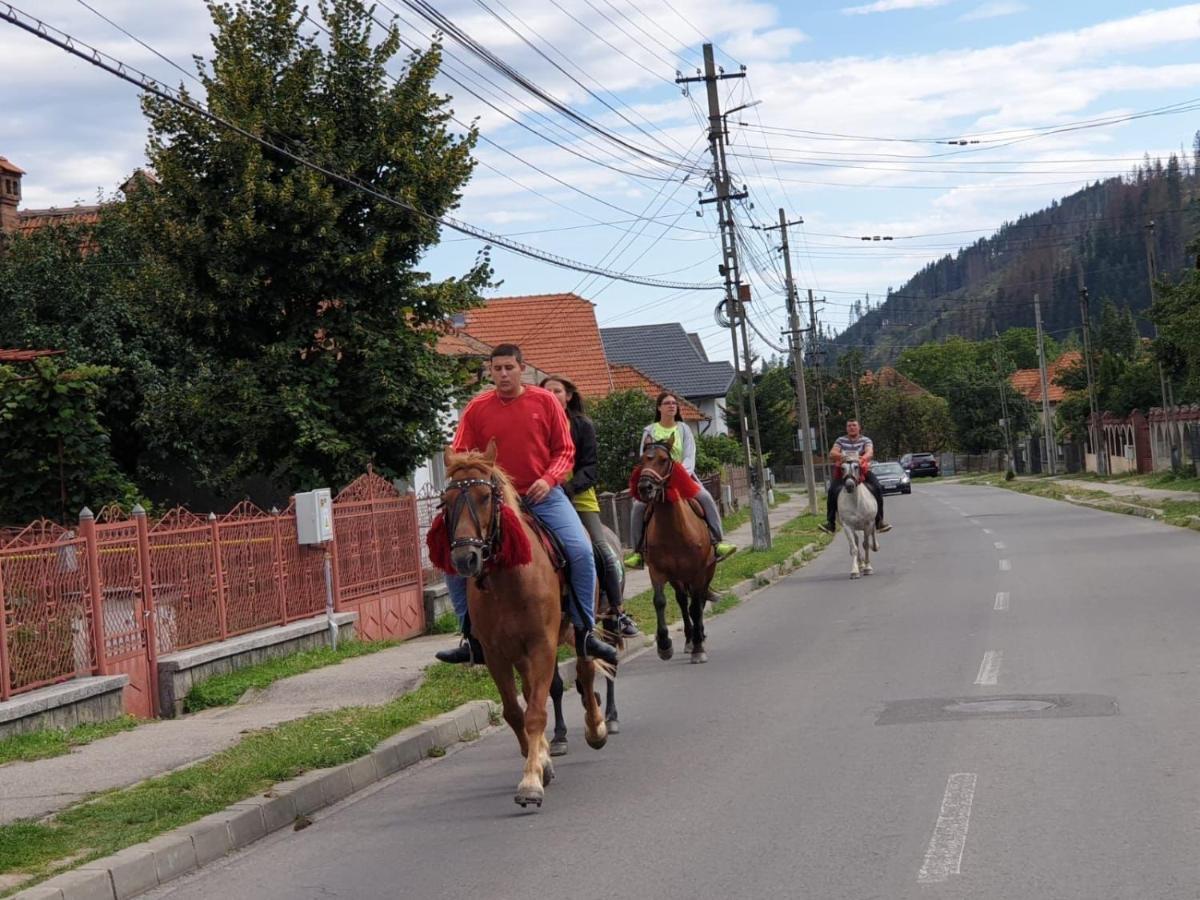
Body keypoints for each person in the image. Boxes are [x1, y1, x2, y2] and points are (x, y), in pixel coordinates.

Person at [434, 344, 619, 667]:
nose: (503, 374)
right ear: (490, 372)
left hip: (543, 495)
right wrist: (467, 471)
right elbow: (460, 450)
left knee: (581, 550)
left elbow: (565, 451)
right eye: (497, 369)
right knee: (452, 561)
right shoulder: (477, 407)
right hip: (495, 499)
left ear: (522, 369)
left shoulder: (545, 401)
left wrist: (549, 479)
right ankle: (471, 636)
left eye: (509, 368)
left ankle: (585, 629)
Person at [540, 376, 638, 638]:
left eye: (557, 391)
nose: (551, 395)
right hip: (540, 497)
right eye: (546, 391)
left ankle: (616, 611)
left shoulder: (582, 426)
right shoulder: (535, 424)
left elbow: (590, 468)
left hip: (579, 497)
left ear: (568, 395)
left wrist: (568, 489)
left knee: (601, 550)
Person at [624, 391, 737, 570]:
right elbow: (644, 456)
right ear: (659, 407)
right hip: (657, 479)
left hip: (682, 476)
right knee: (638, 507)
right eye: (667, 403)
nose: (672, 406)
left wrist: (679, 475)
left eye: (674, 403)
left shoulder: (683, 429)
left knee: (706, 498)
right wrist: (654, 476)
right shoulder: (649, 431)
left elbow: (690, 455)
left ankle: (717, 543)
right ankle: (638, 552)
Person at [818, 419, 892, 535]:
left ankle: (879, 521)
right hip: (845, 471)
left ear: (859, 428)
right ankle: (830, 523)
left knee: (877, 487)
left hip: (862, 470)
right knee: (832, 490)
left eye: (854, 425)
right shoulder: (840, 440)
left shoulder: (865, 440)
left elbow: (869, 452)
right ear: (846, 428)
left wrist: (862, 458)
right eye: (849, 426)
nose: (851, 428)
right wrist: (844, 456)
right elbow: (832, 453)